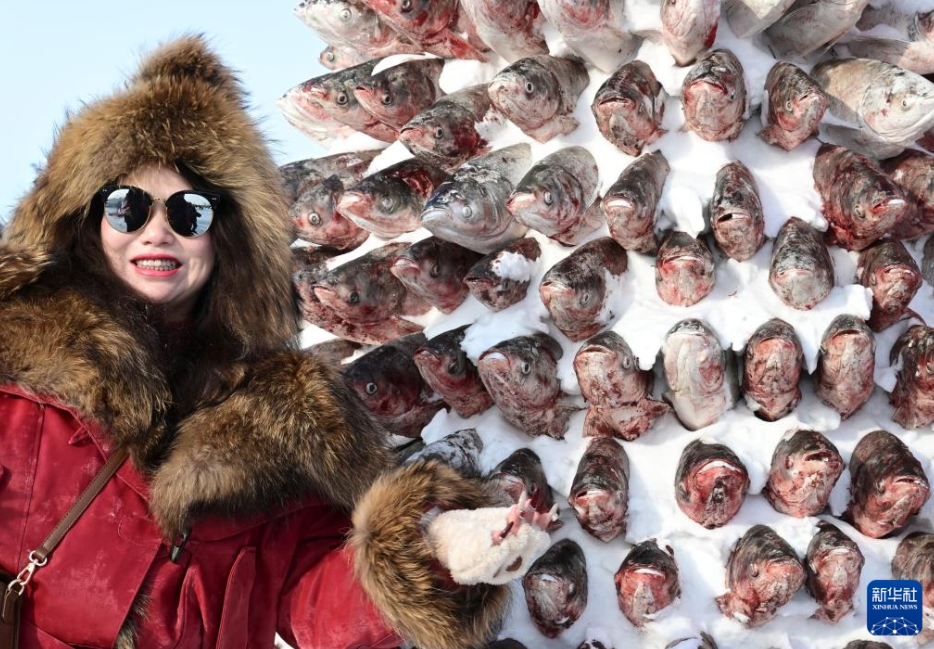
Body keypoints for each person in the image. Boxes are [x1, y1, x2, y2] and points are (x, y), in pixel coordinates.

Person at [0, 35, 509, 649]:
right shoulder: (15, 368)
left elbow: (313, 601)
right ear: (88, 221)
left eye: (189, 213)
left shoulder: (292, 423)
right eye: (127, 208)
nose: (156, 233)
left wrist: (439, 555)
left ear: (228, 237)